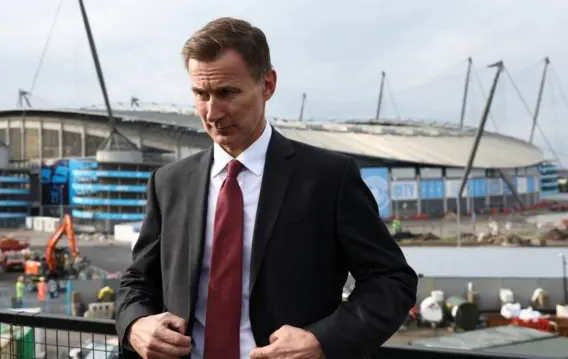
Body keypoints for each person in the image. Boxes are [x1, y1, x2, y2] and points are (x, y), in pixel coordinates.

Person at [116, 17, 418, 359]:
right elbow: (138, 281)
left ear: (268, 84)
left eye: (227, 93)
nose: (212, 112)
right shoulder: (168, 183)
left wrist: (322, 341)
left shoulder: (328, 178)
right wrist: (135, 325)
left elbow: (392, 280)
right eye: (201, 94)